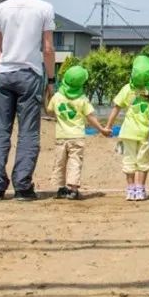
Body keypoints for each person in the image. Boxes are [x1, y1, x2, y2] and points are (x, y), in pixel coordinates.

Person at [0, 0, 56, 201]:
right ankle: (23, 186)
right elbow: (47, 48)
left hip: (4, 74)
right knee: (28, 132)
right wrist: (51, 79)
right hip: (30, 75)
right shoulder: (44, 9)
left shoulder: (0, 9)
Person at [47, 64, 110, 200]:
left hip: (61, 136)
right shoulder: (82, 99)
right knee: (75, 161)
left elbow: (50, 110)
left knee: (60, 162)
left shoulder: (57, 97)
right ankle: (73, 190)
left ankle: (60, 188)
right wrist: (101, 129)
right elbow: (91, 117)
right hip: (77, 136)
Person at [104, 54, 149, 201]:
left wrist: (108, 126)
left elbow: (116, 108)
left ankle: (130, 189)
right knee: (143, 161)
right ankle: (140, 189)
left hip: (128, 132)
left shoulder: (127, 89)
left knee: (129, 160)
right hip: (145, 132)